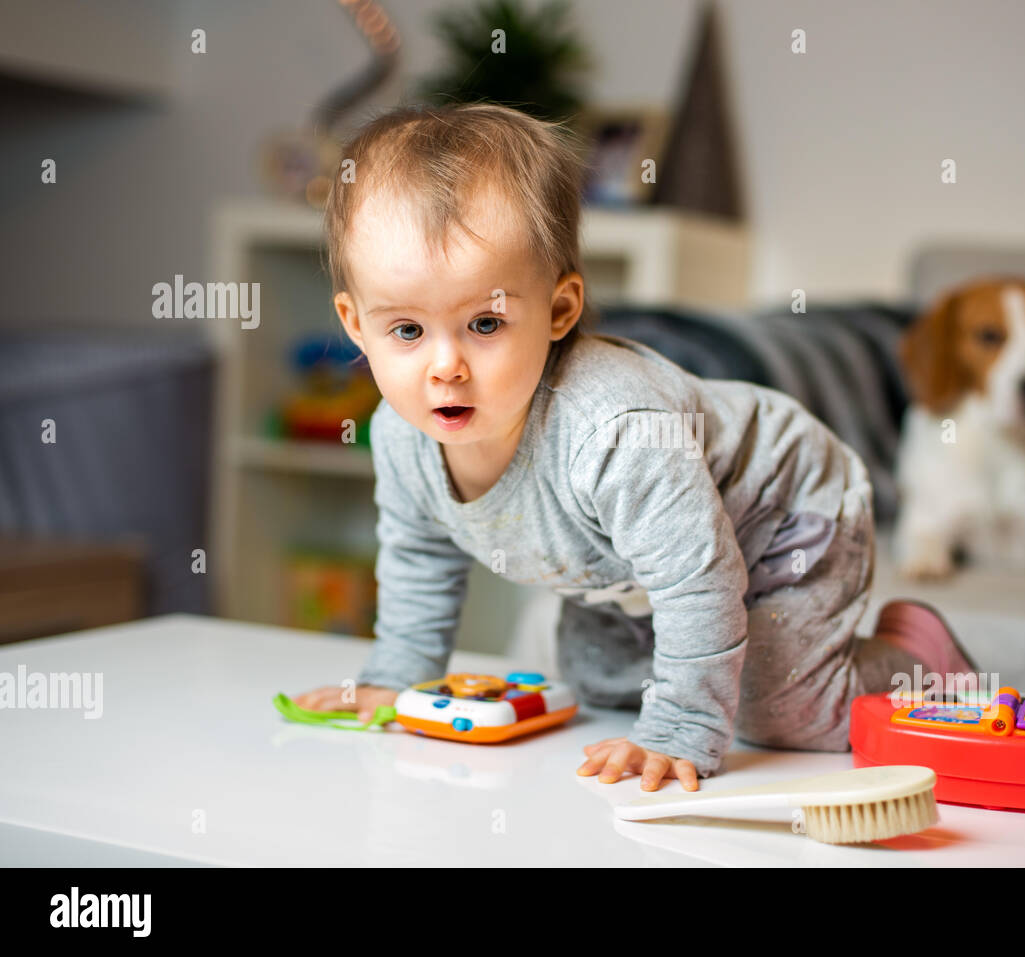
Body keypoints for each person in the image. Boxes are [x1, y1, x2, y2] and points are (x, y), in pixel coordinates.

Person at [293, 103, 976, 791]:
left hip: (781, 511)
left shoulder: (612, 427)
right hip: (635, 569)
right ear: (356, 323)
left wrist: (681, 726)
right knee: (595, 683)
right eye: (407, 331)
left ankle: (917, 657)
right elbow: (419, 553)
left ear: (559, 310)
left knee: (783, 710)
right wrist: (395, 678)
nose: (446, 366)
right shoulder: (400, 435)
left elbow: (699, 575)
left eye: (485, 323)